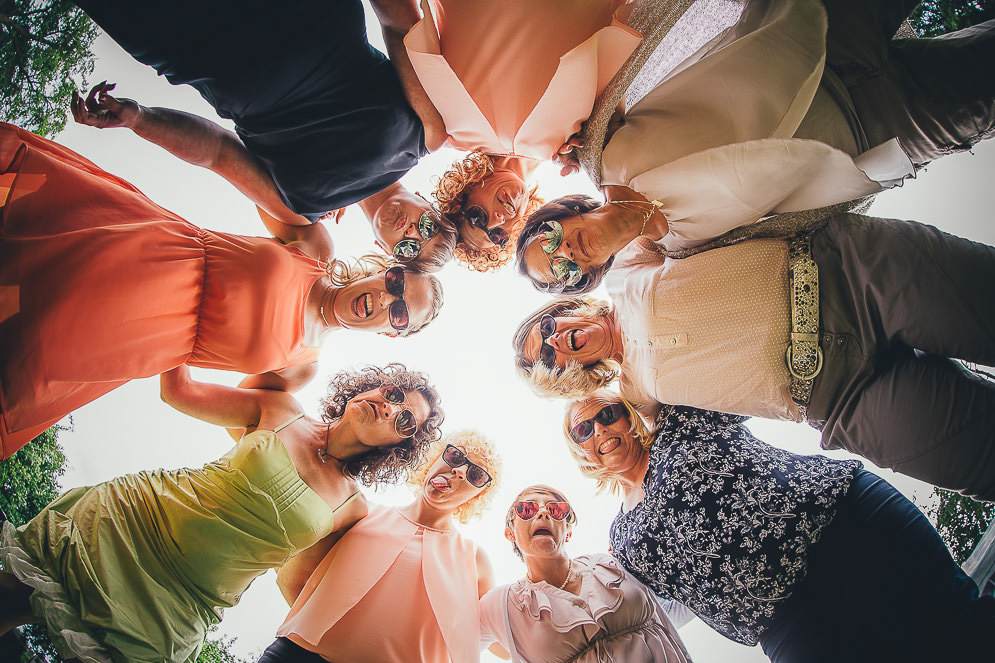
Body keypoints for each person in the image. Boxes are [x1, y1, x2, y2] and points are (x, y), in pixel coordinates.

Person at [0, 123, 443, 459]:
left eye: (401, 313)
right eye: (396, 282)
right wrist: (139, 118)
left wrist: (168, 344)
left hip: (118, 337)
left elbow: (186, 397)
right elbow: (226, 156)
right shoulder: (314, 244)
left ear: (392, 333)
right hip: (130, 245)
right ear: (386, 268)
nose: (388, 300)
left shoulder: (299, 370)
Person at [517, 0, 995, 293]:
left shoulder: (602, 150)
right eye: (562, 271)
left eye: (549, 242)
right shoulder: (685, 249)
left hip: (817, 30)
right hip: (876, 128)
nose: (569, 253)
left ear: (559, 216)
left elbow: (609, 52)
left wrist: (571, 129)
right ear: (589, 274)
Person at [0, 363, 444, 663]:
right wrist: (188, 317)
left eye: (404, 420)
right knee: (9, 600)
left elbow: (295, 586)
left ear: (395, 447)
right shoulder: (281, 408)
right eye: (392, 392)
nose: (390, 406)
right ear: (367, 386)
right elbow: (178, 391)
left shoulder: (354, 510)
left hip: (180, 604)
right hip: (128, 521)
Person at [563, 393, 994, 662]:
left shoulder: (680, 422)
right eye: (584, 428)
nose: (600, 428)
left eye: (609, 412)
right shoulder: (621, 541)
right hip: (791, 625)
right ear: (580, 450)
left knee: (964, 629)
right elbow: (664, 611)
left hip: (851, 527)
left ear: (628, 414)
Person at [511, 269, 995, 501]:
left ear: (565, 306)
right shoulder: (641, 398)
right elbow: (656, 471)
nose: (556, 340)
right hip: (841, 399)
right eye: (547, 357)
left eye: (549, 325)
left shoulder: (629, 271)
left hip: (853, 279)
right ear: (565, 381)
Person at [394, 0, 642, 270]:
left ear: (466, 191)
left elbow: (415, 33)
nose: (498, 219)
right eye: (498, 235)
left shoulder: (455, 130)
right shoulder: (574, 148)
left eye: (478, 218)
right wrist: (593, 134)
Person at [259, 429, 501, 663]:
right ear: (436, 456)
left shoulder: (474, 558)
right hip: (298, 656)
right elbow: (293, 579)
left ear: (478, 496)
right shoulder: (360, 512)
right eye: (456, 456)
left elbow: (501, 639)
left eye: (476, 474)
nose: (459, 470)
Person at [478, 484, 690, 662]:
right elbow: (454, 641)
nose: (543, 513)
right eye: (527, 509)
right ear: (509, 532)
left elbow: (672, 611)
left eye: (557, 510)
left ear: (568, 532)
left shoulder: (611, 565)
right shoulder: (502, 606)